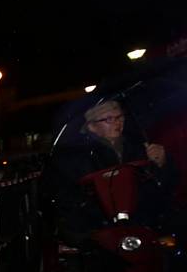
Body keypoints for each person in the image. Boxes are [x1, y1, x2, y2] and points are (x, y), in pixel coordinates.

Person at [45, 99, 177, 244]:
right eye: (108, 119)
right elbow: (69, 199)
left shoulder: (139, 146)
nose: (117, 122)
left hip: (143, 225)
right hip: (101, 230)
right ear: (92, 126)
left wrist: (162, 163)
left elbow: (164, 186)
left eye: (120, 117)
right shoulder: (78, 157)